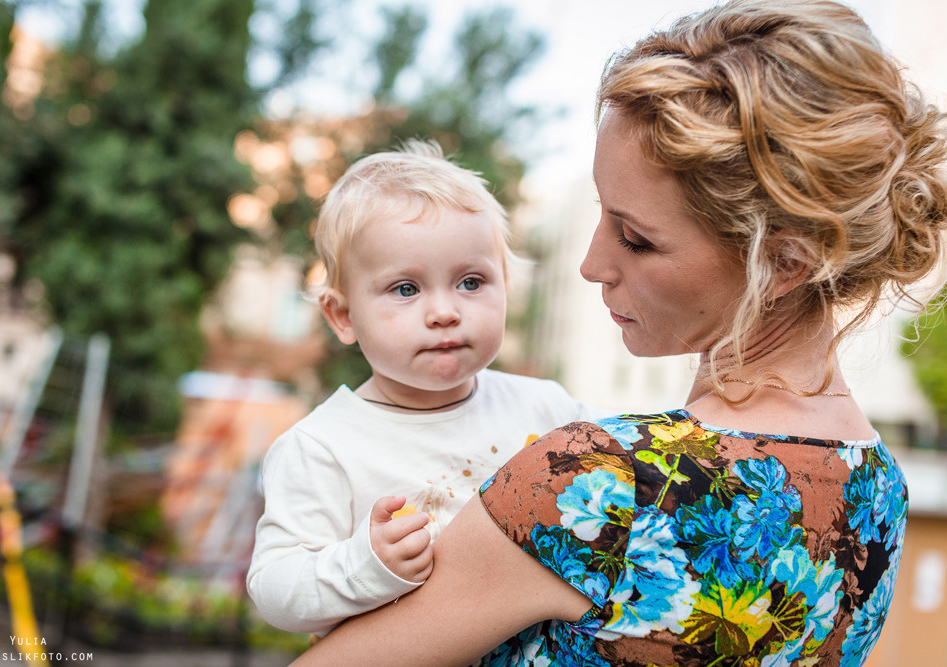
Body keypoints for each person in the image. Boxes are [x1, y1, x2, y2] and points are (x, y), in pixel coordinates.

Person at [292, 0, 947, 664]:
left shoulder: (605, 482)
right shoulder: (879, 488)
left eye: (635, 238)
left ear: (784, 262)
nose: (592, 264)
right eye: (603, 215)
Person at [246, 140, 599, 637]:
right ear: (343, 316)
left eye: (471, 282)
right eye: (406, 289)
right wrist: (365, 566)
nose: (444, 311)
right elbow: (274, 590)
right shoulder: (322, 448)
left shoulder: (548, 408)